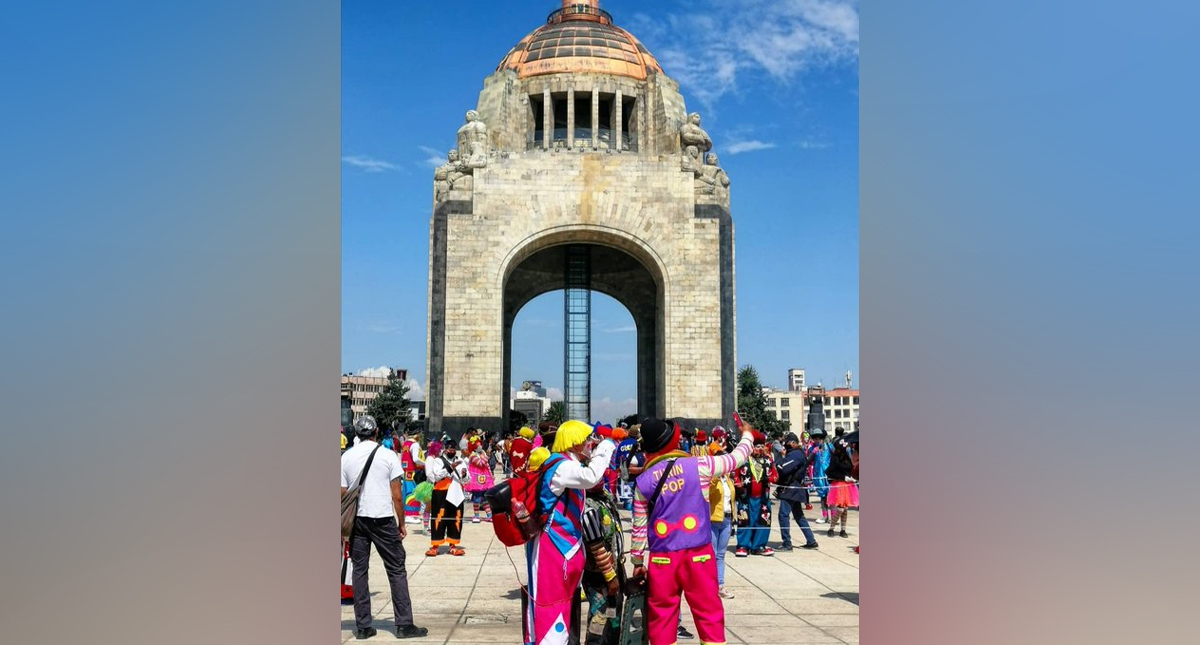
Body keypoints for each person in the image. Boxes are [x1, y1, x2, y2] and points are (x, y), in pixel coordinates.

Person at [630, 417, 756, 645]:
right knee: (709, 613)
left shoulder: (642, 481)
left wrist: (638, 562)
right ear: (673, 441)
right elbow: (736, 459)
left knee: (662, 618)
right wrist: (747, 434)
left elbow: (639, 527)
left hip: (662, 559)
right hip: (699, 554)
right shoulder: (700, 465)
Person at [524, 420, 616, 645]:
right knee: (550, 606)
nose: (589, 444)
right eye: (586, 440)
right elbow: (591, 477)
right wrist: (605, 449)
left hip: (565, 548)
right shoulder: (561, 466)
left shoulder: (568, 463)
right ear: (574, 443)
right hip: (551, 547)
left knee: (563, 607)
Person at [339, 415, 429, 640]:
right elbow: (397, 495)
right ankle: (404, 624)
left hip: (358, 520)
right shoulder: (388, 455)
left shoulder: (346, 457)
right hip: (383, 519)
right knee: (396, 569)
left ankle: (363, 626)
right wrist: (401, 523)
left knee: (360, 571)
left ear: (357, 433)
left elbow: (341, 494)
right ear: (377, 431)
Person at [734, 433, 778, 557]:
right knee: (745, 520)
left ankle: (759, 546)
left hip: (763, 498)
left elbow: (776, 476)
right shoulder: (743, 460)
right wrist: (739, 485)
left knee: (763, 521)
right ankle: (743, 545)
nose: (759, 448)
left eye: (761, 446)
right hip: (746, 498)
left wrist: (769, 479)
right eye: (756, 446)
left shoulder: (768, 460)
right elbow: (736, 475)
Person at [706, 431, 738, 599]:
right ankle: (709, 586)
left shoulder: (728, 479)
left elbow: (732, 498)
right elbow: (708, 494)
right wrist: (715, 477)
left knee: (721, 554)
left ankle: (720, 585)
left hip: (726, 519)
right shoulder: (711, 479)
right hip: (712, 520)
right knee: (710, 554)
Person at [774, 432, 819, 551]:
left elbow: (784, 469)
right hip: (795, 488)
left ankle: (787, 543)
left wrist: (776, 465)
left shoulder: (796, 454)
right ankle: (811, 540)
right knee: (799, 515)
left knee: (783, 515)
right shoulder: (796, 453)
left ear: (793, 443)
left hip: (792, 488)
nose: (785, 445)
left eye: (787, 443)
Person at [424, 441, 467, 556]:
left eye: (453, 450)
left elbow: (468, 479)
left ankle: (453, 545)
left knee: (455, 519)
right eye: (449, 450)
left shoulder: (461, 461)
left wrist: (464, 474)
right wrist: (450, 468)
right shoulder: (438, 461)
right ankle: (435, 546)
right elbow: (437, 476)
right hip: (441, 492)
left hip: (456, 493)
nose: (451, 452)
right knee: (439, 519)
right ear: (445, 449)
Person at [824, 438, 858, 538]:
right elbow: (830, 472)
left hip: (848, 486)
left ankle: (843, 530)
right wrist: (843, 477)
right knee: (840, 509)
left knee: (845, 509)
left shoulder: (847, 457)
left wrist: (852, 477)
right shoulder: (835, 458)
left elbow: (850, 468)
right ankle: (831, 528)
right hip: (839, 485)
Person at [400, 431, 425, 525]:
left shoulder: (406, 443)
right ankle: (412, 514)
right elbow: (415, 459)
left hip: (406, 471)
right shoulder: (415, 445)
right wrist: (425, 463)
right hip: (413, 471)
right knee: (413, 492)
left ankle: (408, 513)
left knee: (407, 492)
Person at [466, 443, 494, 523]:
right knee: (477, 498)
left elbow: (487, 466)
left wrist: (491, 475)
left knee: (485, 498)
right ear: (474, 448)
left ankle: (489, 515)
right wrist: (487, 456)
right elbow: (481, 464)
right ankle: (476, 515)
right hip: (476, 480)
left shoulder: (482, 454)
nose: (480, 447)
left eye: (481, 445)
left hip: (485, 480)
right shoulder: (473, 456)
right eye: (478, 446)